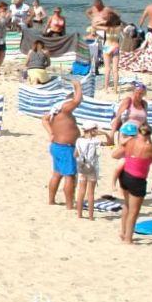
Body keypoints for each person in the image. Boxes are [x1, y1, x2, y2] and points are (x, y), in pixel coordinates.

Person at [115, 122, 152, 244]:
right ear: (149, 135)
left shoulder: (130, 142)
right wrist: (150, 142)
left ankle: (123, 232)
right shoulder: (148, 147)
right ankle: (128, 239)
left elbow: (115, 155)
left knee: (127, 206)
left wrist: (128, 152)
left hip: (125, 175)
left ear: (138, 132)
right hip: (137, 179)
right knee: (134, 211)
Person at [43, 78, 85, 207]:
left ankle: (51, 200)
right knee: (69, 176)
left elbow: (44, 120)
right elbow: (77, 100)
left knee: (57, 174)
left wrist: (51, 133)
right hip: (65, 147)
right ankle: (69, 205)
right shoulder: (65, 109)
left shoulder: (56, 111)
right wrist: (77, 85)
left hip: (57, 146)